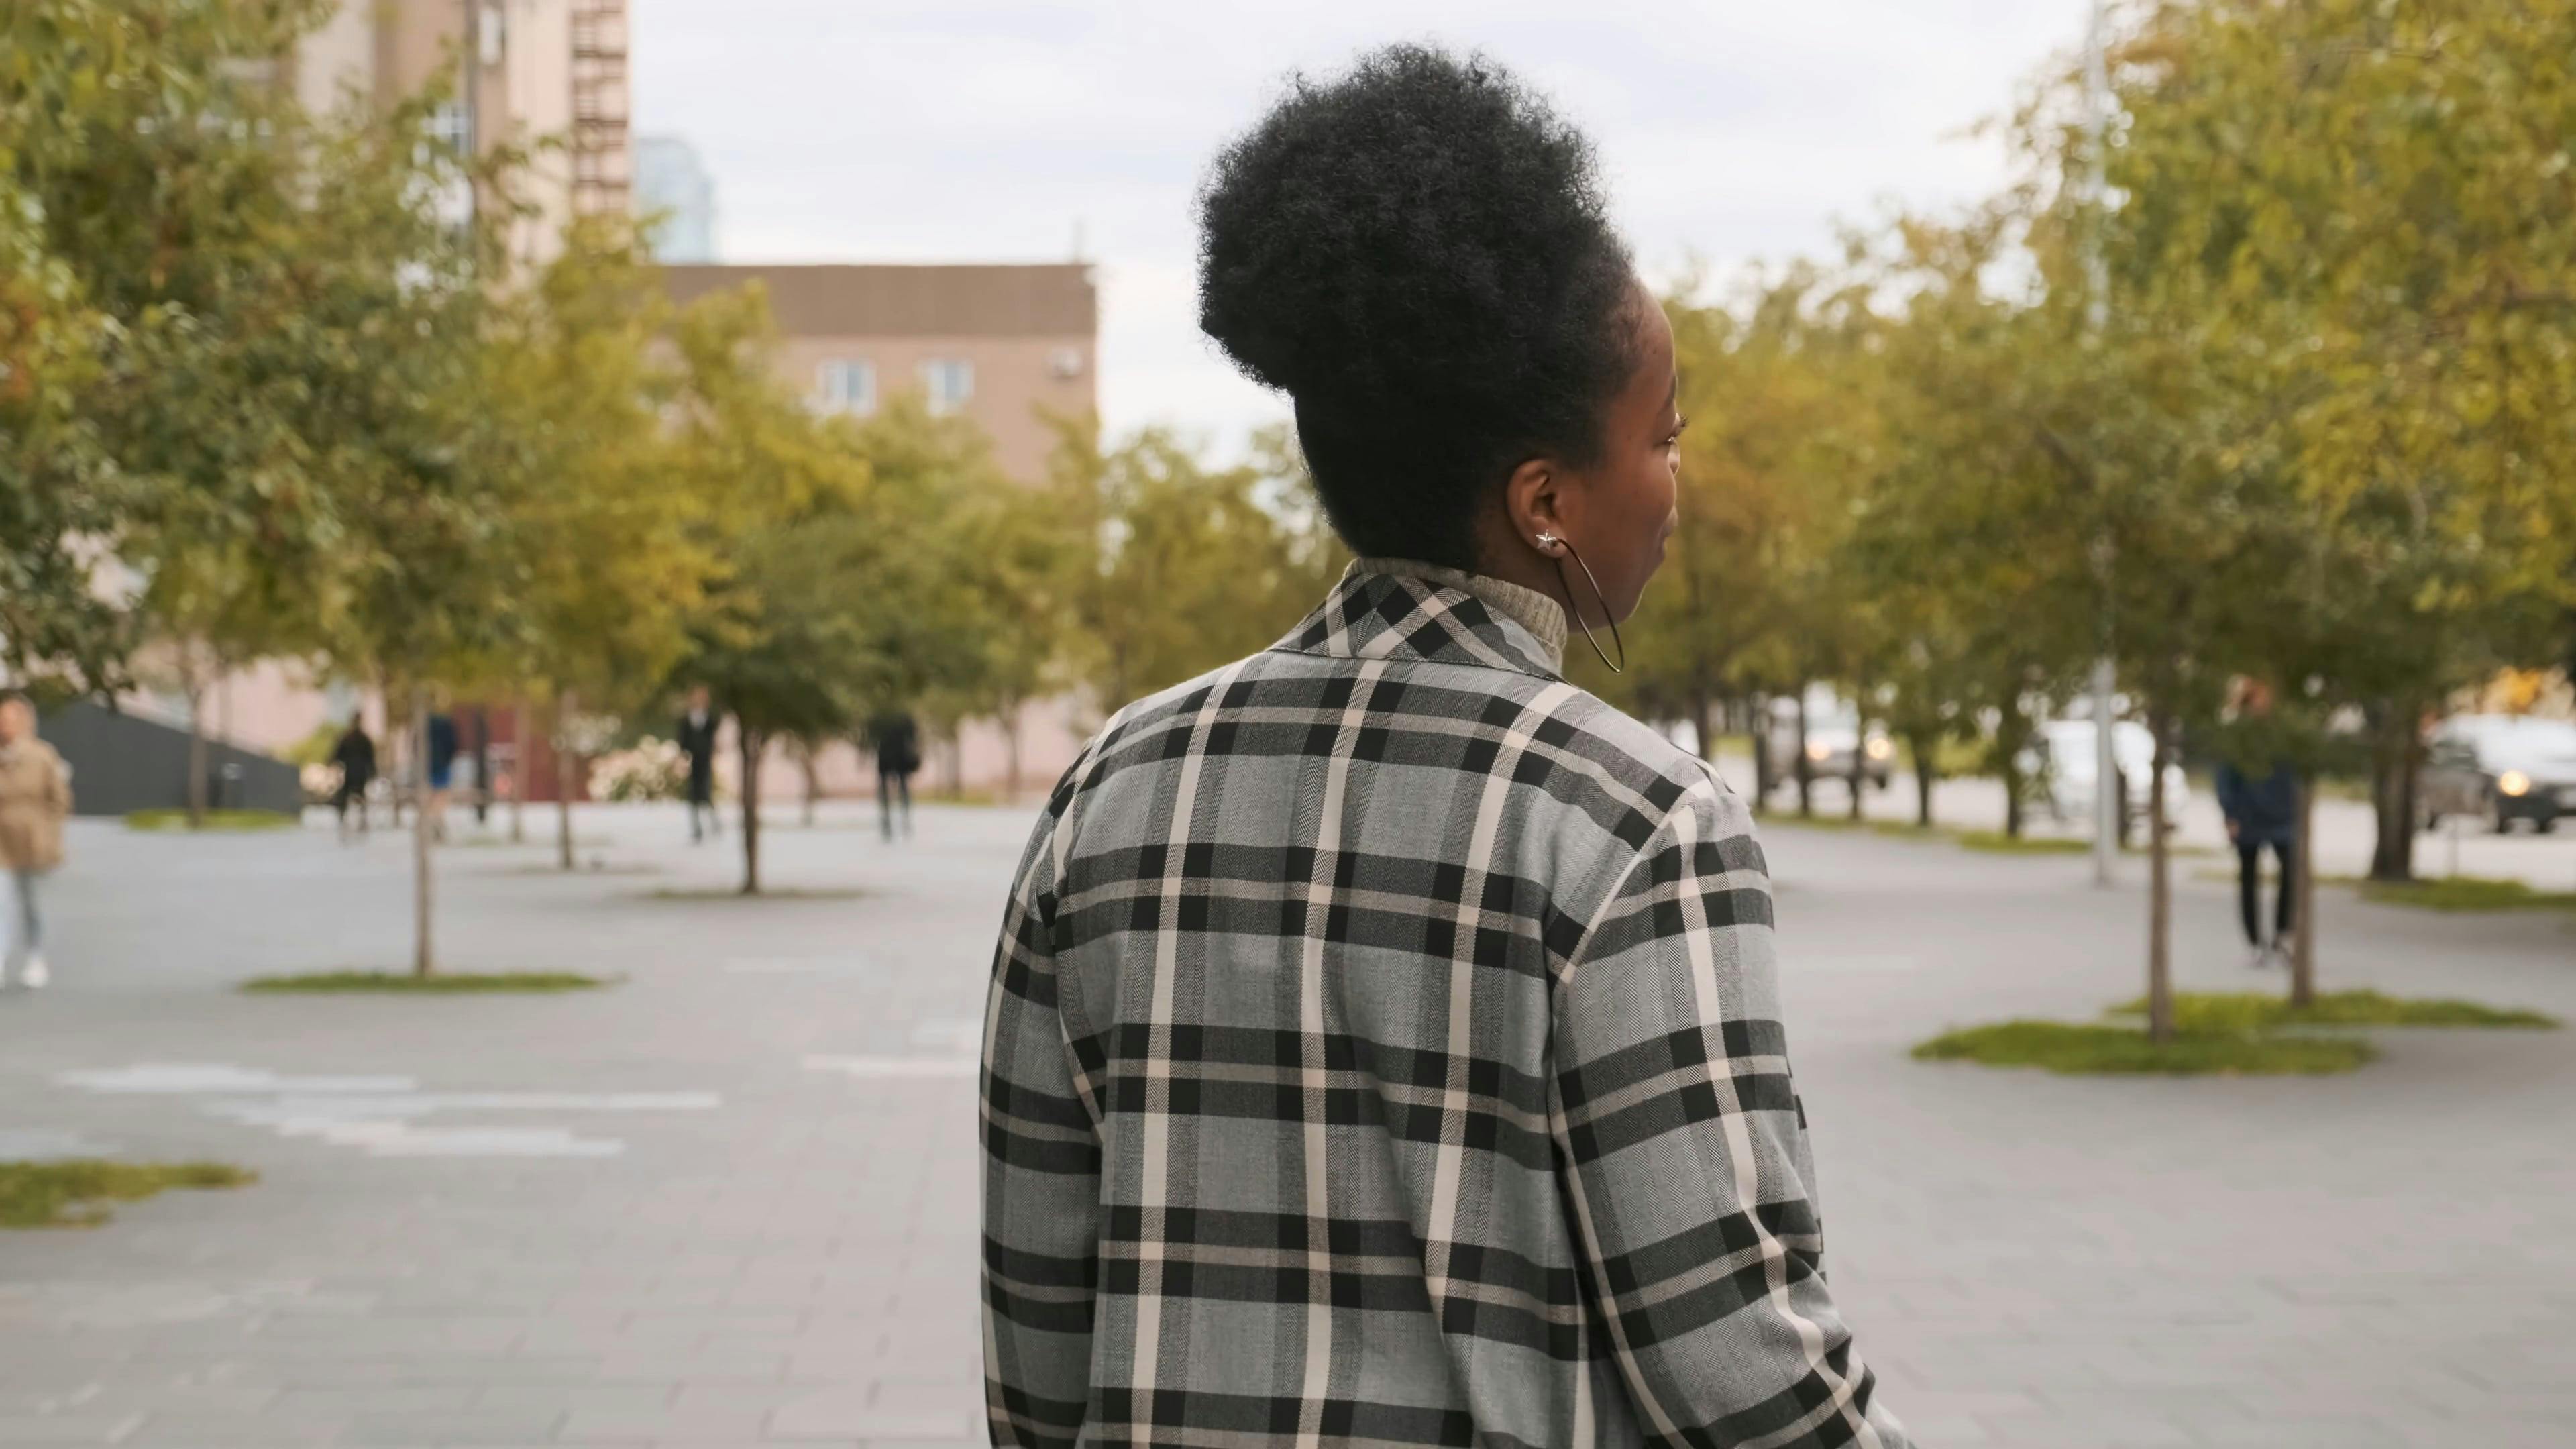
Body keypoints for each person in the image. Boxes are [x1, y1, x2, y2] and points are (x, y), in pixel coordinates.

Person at [979, 46, 1907, 1449]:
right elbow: (1733, 1360)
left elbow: (1039, 1326)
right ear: (1545, 500)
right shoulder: (1633, 824)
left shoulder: (1110, 790)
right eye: (1664, 438)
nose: (1677, 484)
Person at [2217, 680, 2300, 967]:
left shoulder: (2283, 733)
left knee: (2290, 871)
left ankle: (2283, 934)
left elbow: (2295, 773)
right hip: (2247, 815)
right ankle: (2255, 942)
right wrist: (2230, 814)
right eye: (2257, 698)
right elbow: (2225, 776)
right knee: (2249, 879)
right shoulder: (2236, 734)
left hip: (2281, 816)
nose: (2263, 703)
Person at [0, 692, 72, 990]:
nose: (5, 725)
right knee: (1, 903)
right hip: (2, 842)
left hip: (33, 841)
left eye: (10, 720)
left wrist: (50, 837)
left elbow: (60, 801)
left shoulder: (42, 755)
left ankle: (35, 956)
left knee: (33, 904)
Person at [865, 709, 919, 841]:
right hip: (894, 755)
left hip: (892, 755)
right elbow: (912, 737)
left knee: (897, 787)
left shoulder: (881, 715)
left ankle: (895, 817)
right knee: (899, 787)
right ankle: (895, 817)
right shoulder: (900, 715)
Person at [676, 687, 720, 843]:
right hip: (694, 762)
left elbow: (713, 738)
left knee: (706, 793)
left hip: (705, 760)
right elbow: (683, 740)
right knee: (694, 795)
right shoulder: (687, 720)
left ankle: (715, 823)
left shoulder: (710, 719)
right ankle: (697, 828)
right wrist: (683, 757)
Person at [329, 715, 376, 841]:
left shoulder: (352, 738)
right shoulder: (356, 738)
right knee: (354, 797)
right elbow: (370, 758)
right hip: (355, 773)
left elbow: (337, 755)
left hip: (355, 773)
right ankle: (351, 820)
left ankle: (353, 820)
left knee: (351, 797)